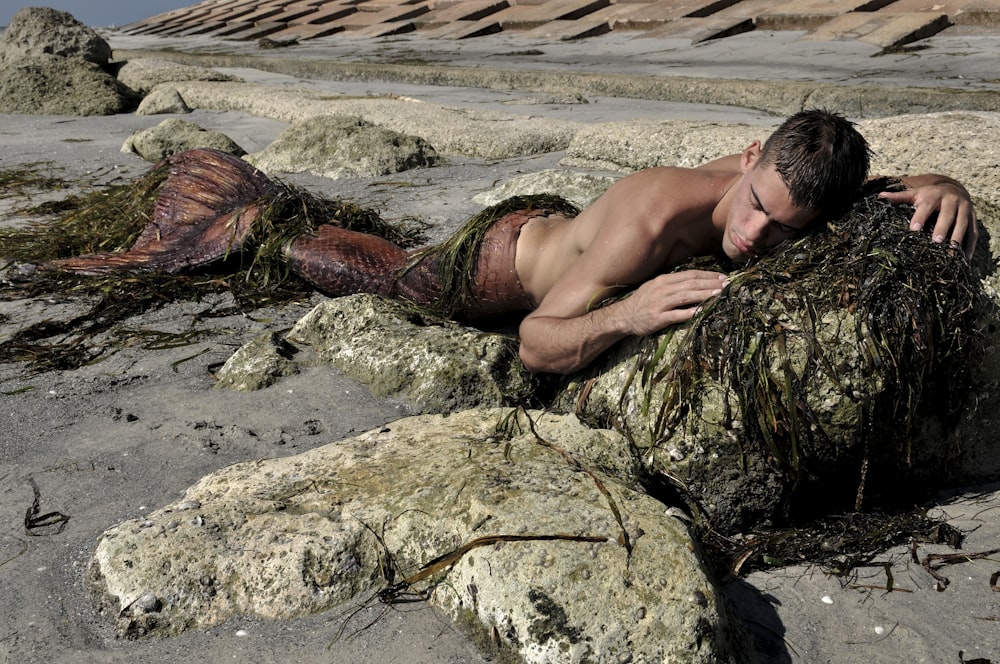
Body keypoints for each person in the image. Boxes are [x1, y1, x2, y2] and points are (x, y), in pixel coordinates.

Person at [48, 110, 977, 375]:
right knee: (315, 257)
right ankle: (224, 197)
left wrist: (948, 186)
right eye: (754, 205)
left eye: (782, 228)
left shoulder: (800, 187)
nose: (752, 234)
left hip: (554, 227)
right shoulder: (652, 218)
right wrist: (632, 315)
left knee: (353, 243)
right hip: (483, 273)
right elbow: (535, 344)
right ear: (745, 157)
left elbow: (878, 196)